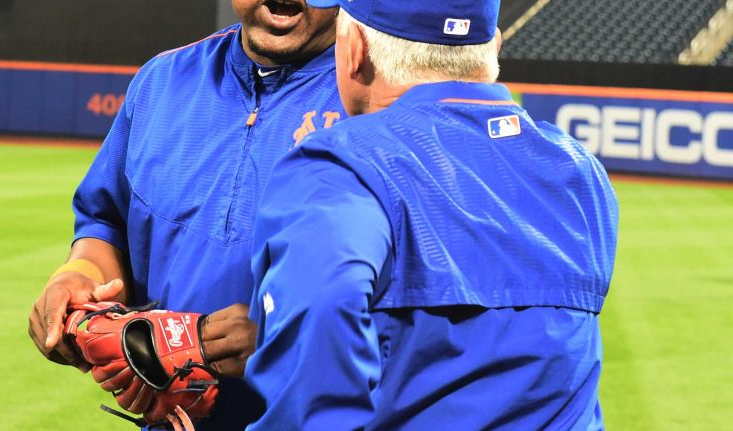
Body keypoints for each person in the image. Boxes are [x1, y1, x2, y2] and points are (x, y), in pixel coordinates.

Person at [244, 0, 619, 429]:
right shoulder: (578, 172)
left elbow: (324, 306)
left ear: (353, 52)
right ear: (493, 48)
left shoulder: (338, 169)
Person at [27, 1, 344, 430]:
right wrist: (79, 274)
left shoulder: (380, 97)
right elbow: (106, 222)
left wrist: (290, 340)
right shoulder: (163, 81)